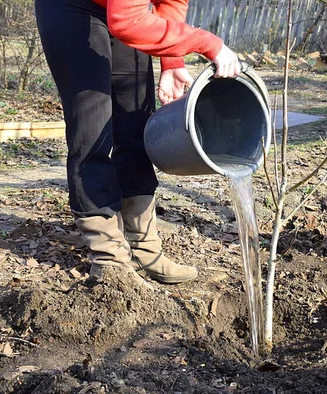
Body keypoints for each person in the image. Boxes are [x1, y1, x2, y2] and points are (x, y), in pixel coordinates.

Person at [34, 0, 241, 285]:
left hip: (124, 10)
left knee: (136, 124)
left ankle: (145, 249)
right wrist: (208, 43)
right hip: (72, 9)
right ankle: (109, 258)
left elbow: (171, 2)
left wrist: (172, 62)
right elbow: (127, 22)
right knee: (92, 129)